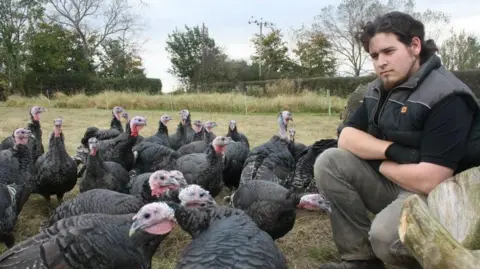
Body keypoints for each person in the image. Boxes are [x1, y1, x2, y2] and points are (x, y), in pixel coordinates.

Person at [313, 11, 479, 269]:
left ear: (415, 46)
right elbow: (346, 137)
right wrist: (391, 151)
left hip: (441, 195)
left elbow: (431, 179)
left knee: (385, 238)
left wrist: (376, 162)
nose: (380, 62)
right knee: (330, 161)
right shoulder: (377, 89)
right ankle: (359, 259)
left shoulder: (447, 96)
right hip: (401, 178)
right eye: (375, 56)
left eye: (389, 52)